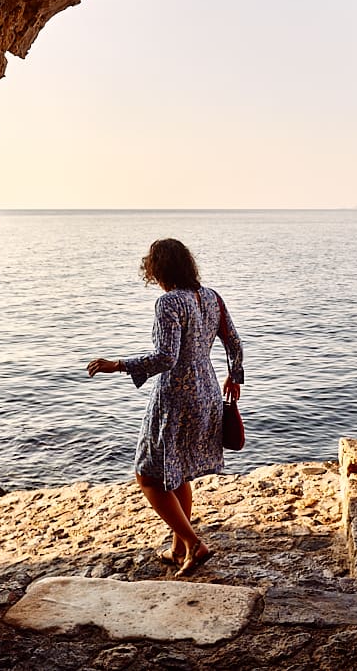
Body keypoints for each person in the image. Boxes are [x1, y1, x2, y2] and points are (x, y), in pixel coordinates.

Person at [87, 238, 244, 577]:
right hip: (207, 391)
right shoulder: (212, 298)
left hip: (175, 396)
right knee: (179, 470)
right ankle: (176, 549)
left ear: (159, 271)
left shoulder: (168, 303)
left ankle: (193, 543)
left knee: (147, 474)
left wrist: (118, 364)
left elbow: (165, 358)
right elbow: (234, 340)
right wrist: (236, 376)